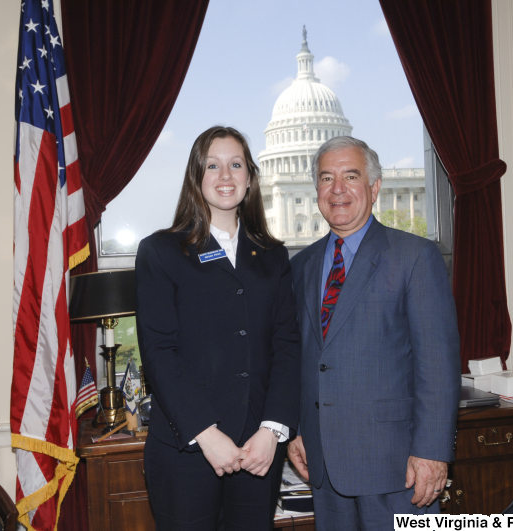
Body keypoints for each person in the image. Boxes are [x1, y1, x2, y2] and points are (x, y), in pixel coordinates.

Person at [287, 136, 460, 530]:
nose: (338, 189)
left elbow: (438, 363)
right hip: (324, 466)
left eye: (351, 175)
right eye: (326, 178)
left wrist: (432, 453)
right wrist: (296, 429)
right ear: (316, 190)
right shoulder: (302, 266)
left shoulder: (415, 257)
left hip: (398, 467)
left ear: (374, 187)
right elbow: (301, 358)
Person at [135, 126, 300, 530]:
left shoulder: (274, 257)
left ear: (250, 177)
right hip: (186, 450)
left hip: (257, 449)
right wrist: (206, 434)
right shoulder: (160, 251)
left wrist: (272, 430)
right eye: (213, 165)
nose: (225, 175)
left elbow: (288, 346)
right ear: (196, 175)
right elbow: (159, 353)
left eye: (236, 165)